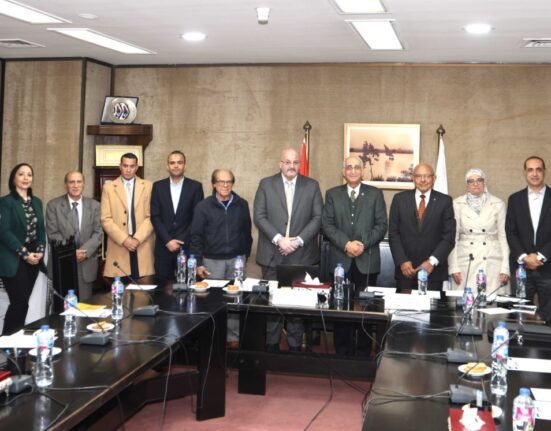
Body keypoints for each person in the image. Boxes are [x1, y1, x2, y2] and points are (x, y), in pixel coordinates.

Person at [254, 148, 323, 351]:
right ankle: (271, 345)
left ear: (299, 164)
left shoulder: (312, 185)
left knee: (297, 305)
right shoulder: (266, 184)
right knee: (272, 302)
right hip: (272, 254)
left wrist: (297, 241)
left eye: (295, 162)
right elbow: (259, 216)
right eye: (287, 162)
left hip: (302, 254)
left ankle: (295, 346)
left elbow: (318, 218)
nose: (291, 166)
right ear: (280, 164)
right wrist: (279, 240)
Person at [322, 155, 387, 356]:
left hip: (367, 261)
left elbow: (382, 225)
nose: (352, 171)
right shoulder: (332, 194)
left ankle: (363, 354)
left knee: (366, 310)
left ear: (362, 171)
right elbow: (327, 225)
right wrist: (346, 244)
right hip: (340, 262)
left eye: (356, 167)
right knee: (340, 308)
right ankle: (342, 353)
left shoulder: (375, 194)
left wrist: (361, 244)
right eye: (348, 167)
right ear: (343, 171)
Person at [190, 169, 252, 347]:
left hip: (236, 261)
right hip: (212, 261)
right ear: (214, 184)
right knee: (212, 301)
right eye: (221, 182)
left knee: (235, 300)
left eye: (228, 182)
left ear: (232, 183)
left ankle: (233, 337)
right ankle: (213, 336)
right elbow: (196, 236)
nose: (225, 185)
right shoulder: (203, 206)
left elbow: (247, 232)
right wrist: (198, 263)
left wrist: (244, 255)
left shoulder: (242, 204)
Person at [389, 163, 456, 291]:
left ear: (434, 178)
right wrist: (402, 261)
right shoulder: (399, 199)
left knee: (431, 304)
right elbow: (393, 234)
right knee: (403, 303)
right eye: (419, 176)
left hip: (433, 272)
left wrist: (431, 262)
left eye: (427, 176)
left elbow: (448, 237)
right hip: (405, 271)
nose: (423, 180)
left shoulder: (445, 201)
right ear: (413, 178)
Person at [0, 163, 46, 334]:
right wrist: (25, 254)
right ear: (13, 178)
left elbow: (41, 229)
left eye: (29, 174)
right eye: (21, 174)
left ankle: (16, 340)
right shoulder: (6, 202)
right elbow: (4, 232)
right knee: (19, 302)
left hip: (33, 258)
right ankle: (6, 341)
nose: (26, 178)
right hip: (13, 257)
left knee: (23, 302)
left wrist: (40, 251)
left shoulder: (37, 201)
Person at [448, 168, 509, 294]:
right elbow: (452, 237)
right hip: (465, 259)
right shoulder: (457, 204)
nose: (475, 184)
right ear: (467, 185)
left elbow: (504, 236)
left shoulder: (498, 203)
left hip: (492, 259)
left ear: (484, 182)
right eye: (471, 181)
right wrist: (453, 267)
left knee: (492, 300)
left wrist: (505, 267)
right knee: (466, 300)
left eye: (479, 180)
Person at [506, 156, 551, 323]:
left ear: (544, 172)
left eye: (538, 169)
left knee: (549, 318)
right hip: (521, 268)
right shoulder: (514, 199)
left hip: (548, 268)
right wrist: (525, 257)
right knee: (520, 318)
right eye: (530, 170)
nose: (534, 174)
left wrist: (540, 256)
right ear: (525, 172)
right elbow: (510, 232)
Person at [46, 171, 103, 301]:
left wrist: (84, 251)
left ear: (83, 184)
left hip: (86, 264)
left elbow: (98, 232)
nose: (75, 185)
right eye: (72, 182)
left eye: (79, 182)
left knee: (85, 306)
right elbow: (52, 234)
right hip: (62, 265)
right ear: (65, 184)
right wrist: (72, 252)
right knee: (62, 308)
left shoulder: (95, 206)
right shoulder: (53, 205)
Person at [151, 150, 203, 281]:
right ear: (167, 166)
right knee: (162, 288)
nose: (176, 166)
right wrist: (168, 240)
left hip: (187, 247)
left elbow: (197, 218)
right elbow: (155, 216)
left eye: (179, 162)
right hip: (163, 247)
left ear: (185, 165)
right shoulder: (157, 186)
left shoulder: (195, 187)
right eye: (172, 163)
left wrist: (180, 240)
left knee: (188, 286)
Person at [101, 153, 155, 280]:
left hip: (142, 244)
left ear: (137, 167)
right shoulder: (109, 188)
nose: (128, 169)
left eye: (132, 166)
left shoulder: (148, 186)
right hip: (119, 245)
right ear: (120, 166)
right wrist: (125, 240)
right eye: (125, 166)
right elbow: (105, 219)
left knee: (144, 287)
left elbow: (152, 216)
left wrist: (137, 239)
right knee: (121, 288)